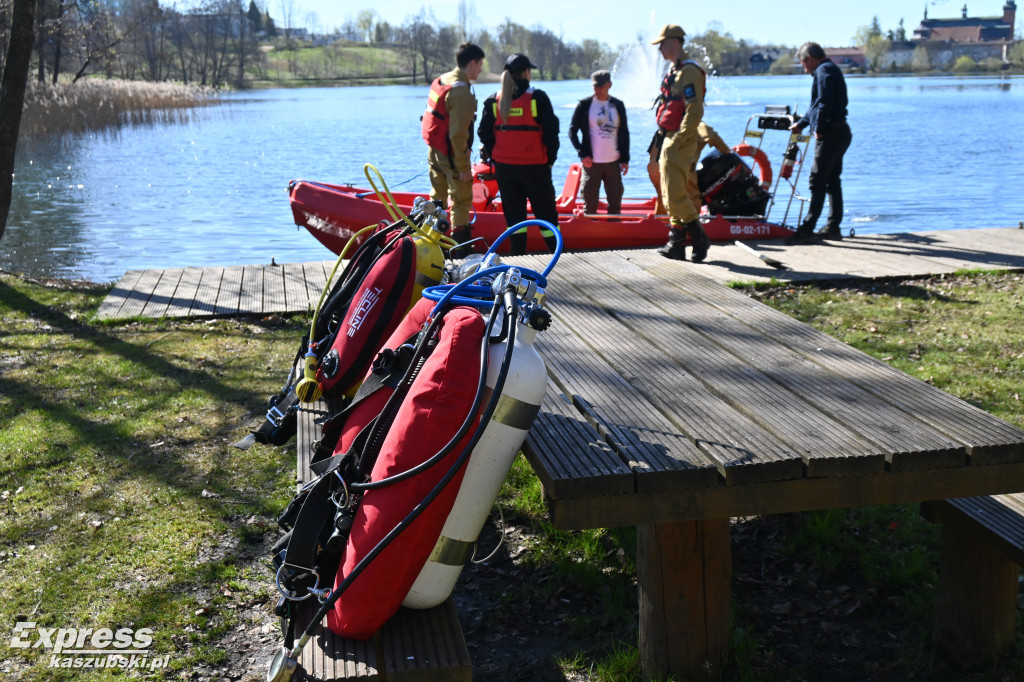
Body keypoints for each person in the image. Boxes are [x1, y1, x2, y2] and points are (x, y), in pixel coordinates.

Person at [478, 53, 560, 256]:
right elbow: (552, 134)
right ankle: (558, 255)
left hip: (505, 170)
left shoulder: (493, 101)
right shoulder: (537, 97)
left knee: (515, 219)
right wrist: (550, 161)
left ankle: (518, 259)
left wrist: (496, 155)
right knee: (547, 217)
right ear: (526, 73)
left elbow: (483, 133)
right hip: (536, 168)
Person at [650, 24, 710, 262]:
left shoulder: (689, 72)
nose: (660, 50)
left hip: (680, 140)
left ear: (674, 42)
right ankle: (676, 243)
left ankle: (699, 238)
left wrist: (679, 139)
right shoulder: (675, 70)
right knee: (668, 192)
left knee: (675, 194)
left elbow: (694, 111)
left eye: (662, 44)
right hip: (668, 137)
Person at [785, 41, 851, 245]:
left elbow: (824, 104)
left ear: (810, 59)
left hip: (831, 134)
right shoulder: (828, 70)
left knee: (817, 180)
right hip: (840, 132)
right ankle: (833, 227)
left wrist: (820, 130)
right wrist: (801, 124)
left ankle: (807, 229)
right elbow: (815, 106)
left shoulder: (824, 71)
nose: (805, 69)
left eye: (804, 64)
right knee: (832, 181)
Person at [421, 42, 485, 247]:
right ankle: (461, 251)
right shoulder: (461, 91)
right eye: (481, 64)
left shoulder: (441, 80)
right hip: (450, 153)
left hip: (434, 150)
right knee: (461, 202)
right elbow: (458, 135)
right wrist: (464, 168)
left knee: (436, 197)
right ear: (472, 63)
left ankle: (430, 245)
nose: (482, 69)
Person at [568, 70, 629, 215]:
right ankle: (589, 233)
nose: (597, 90)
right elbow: (572, 132)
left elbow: (624, 133)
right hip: (591, 164)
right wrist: (582, 154)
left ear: (609, 85)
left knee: (615, 206)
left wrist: (625, 159)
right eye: (595, 86)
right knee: (590, 207)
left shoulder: (618, 105)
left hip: (613, 164)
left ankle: (615, 233)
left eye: (601, 86)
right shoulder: (584, 105)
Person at [647, 120, 730, 215]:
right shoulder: (699, 125)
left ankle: (660, 223)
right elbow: (719, 144)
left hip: (654, 166)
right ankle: (692, 226)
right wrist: (729, 151)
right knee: (693, 200)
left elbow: (651, 152)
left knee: (664, 197)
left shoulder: (666, 126)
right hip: (679, 168)